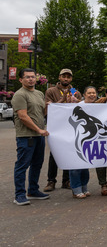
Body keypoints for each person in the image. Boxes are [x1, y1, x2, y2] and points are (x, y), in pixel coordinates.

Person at [12, 68, 50, 206]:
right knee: (22, 165)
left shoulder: (39, 93)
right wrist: (39, 130)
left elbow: (42, 113)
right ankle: (19, 195)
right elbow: (23, 116)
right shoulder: (20, 95)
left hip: (39, 136)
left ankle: (33, 190)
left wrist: (53, 106)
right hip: (26, 136)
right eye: (27, 77)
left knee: (37, 164)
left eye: (33, 77)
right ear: (21, 80)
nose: (31, 79)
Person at [43, 68, 82, 192]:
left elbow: (82, 107)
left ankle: (66, 180)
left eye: (68, 77)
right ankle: (51, 181)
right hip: (56, 127)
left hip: (70, 127)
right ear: (59, 77)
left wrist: (76, 102)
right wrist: (62, 99)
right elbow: (47, 109)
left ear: (71, 78)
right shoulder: (51, 91)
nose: (66, 79)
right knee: (54, 153)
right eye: (63, 76)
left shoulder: (74, 91)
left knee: (68, 152)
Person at [69, 86, 98, 199]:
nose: (92, 95)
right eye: (89, 93)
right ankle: (76, 189)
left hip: (89, 140)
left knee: (85, 165)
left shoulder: (98, 107)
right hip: (76, 139)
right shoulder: (77, 106)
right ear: (84, 95)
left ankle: (84, 187)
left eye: (93, 93)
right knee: (75, 165)